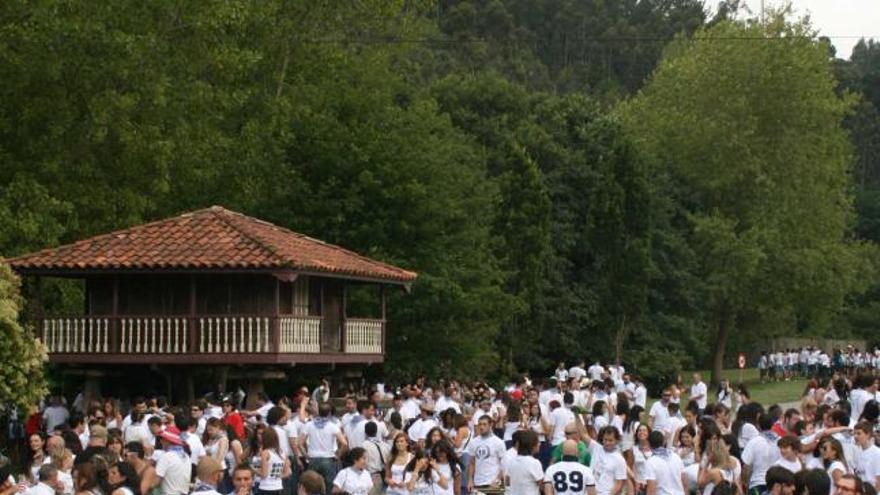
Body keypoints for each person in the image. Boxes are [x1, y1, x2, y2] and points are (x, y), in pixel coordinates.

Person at [299, 403, 348, 493]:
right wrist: (338, 455)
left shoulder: (309, 425)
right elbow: (344, 443)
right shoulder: (333, 426)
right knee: (329, 487)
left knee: (311, 486)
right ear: (329, 413)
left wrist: (305, 455)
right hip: (328, 459)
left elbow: (299, 443)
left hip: (313, 458)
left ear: (318, 412)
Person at [741, 414, 781, 495]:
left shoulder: (754, 442)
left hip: (757, 484)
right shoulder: (780, 441)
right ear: (772, 425)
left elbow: (745, 466)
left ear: (758, 426)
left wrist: (745, 484)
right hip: (776, 485)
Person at [467, 415, 505, 492]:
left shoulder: (498, 442)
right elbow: (471, 463)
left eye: (484, 424)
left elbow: (504, 464)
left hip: (493, 484)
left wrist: (498, 479)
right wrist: (470, 480)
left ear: (490, 425)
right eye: (480, 424)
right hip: (478, 483)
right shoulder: (473, 442)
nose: (481, 427)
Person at [585, 426, 628, 495]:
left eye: (610, 440)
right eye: (605, 440)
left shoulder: (620, 459)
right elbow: (583, 434)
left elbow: (619, 483)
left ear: (616, 441)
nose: (607, 443)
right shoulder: (596, 448)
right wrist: (577, 416)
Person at [644, 431, 686, 495]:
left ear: (649, 444)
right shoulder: (676, 457)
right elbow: (684, 483)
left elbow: (651, 490)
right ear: (663, 442)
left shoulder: (650, 462)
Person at [505, 430, 544, 495]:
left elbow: (507, 482)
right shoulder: (534, 463)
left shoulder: (511, 462)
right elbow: (542, 485)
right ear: (532, 445)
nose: (539, 444)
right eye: (538, 442)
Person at [154, 429, 191, 495]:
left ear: (168, 440)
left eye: (163, 439)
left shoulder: (166, 456)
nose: (161, 441)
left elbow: (156, 482)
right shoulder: (186, 456)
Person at [259, 427, 291, 495]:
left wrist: (252, 469)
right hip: (278, 487)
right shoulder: (282, 453)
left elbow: (264, 475)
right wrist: (276, 476)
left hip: (266, 487)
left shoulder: (265, 453)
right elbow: (287, 472)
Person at [362, 422, 390, 495]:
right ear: (376, 431)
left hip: (373, 477)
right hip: (386, 475)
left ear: (365, 432)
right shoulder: (385, 445)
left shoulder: (364, 446)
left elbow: (364, 464)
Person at [852, 421, 880, 492]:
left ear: (868, 435)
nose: (855, 436)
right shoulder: (857, 450)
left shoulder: (877, 453)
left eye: (859, 433)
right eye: (854, 433)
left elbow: (878, 481)